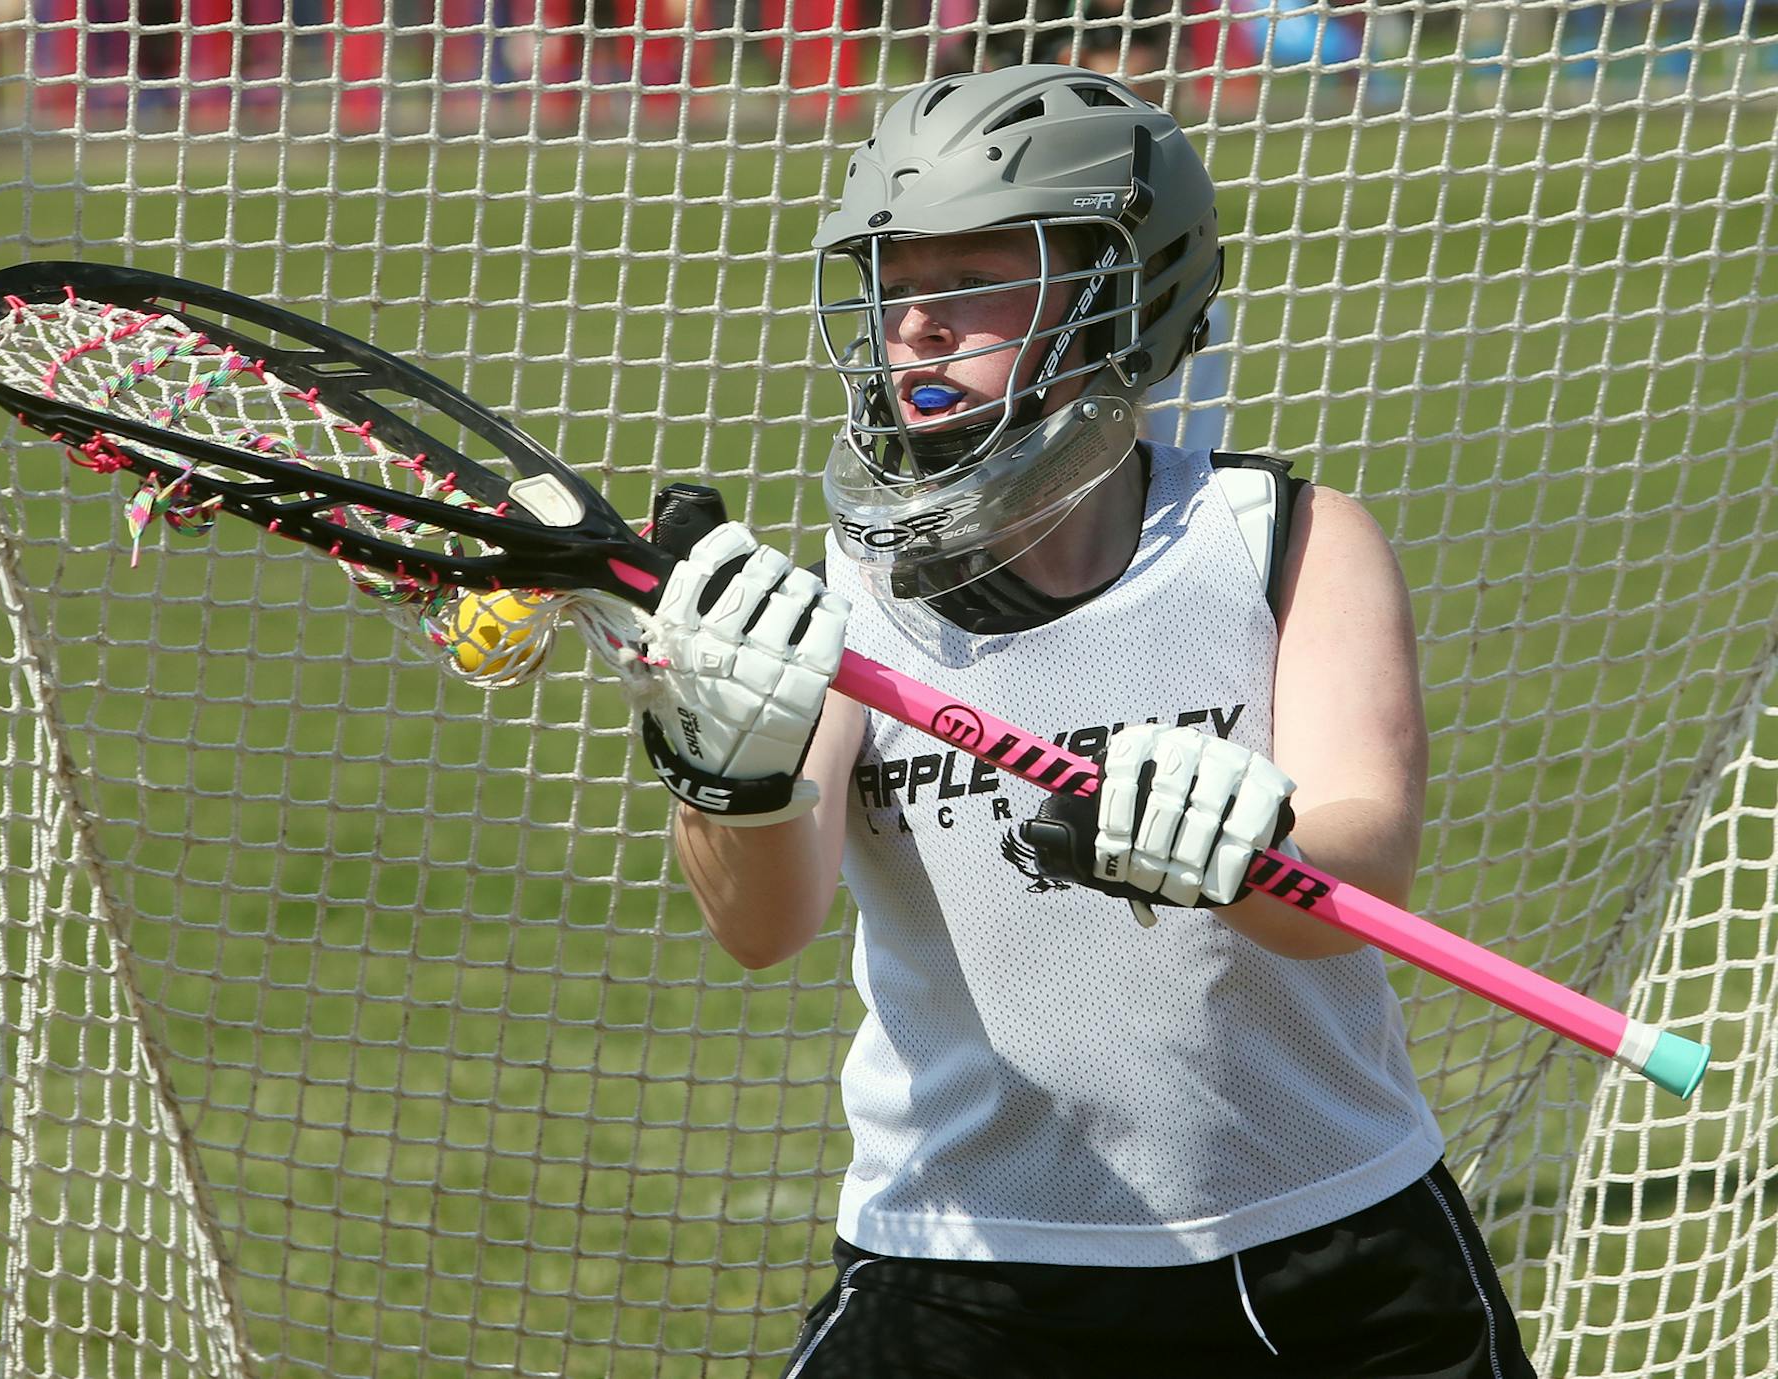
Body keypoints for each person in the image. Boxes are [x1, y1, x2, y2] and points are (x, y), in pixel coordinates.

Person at [628, 66, 1537, 1378]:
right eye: (896, 280)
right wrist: (727, 774)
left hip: (1320, 1249)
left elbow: (1368, 850)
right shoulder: (833, 601)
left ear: (1128, 289)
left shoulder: (1285, 543)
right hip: (960, 1267)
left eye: (977, 276)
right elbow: (760, 928)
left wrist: (1249, 847)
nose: (917, 326)